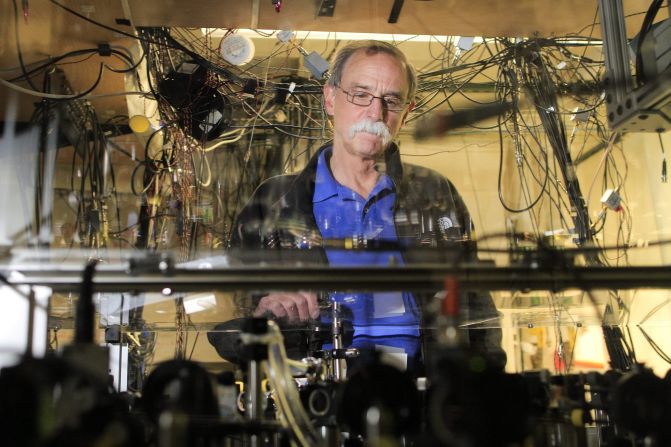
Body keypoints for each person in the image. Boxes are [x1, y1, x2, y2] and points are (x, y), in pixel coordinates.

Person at [229, 40, 503, 372]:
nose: (375, 113)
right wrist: (264, 310)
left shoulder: (435, 194)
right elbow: (230, 317)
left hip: (422, 391)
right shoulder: (274, 202)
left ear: (407, 110)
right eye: (360, 95)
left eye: (391, 100)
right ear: (330, 99)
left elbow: (478, 309)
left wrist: (483, 393)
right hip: (316, 391)